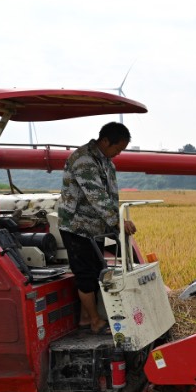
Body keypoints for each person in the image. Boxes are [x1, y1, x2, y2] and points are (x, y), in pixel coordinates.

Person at [58, 122, 135, 334]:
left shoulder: (107, 162)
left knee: (95, 273)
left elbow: (111, 196)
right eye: (117, 148)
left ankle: (84, 318)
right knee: (85, 275)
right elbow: (97, 196)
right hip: (77, 226)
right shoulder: (84, 160)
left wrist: (115, 220)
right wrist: (118, 221)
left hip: (96, 227)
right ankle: (95, 321)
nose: (118, 154)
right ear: (105, 141)